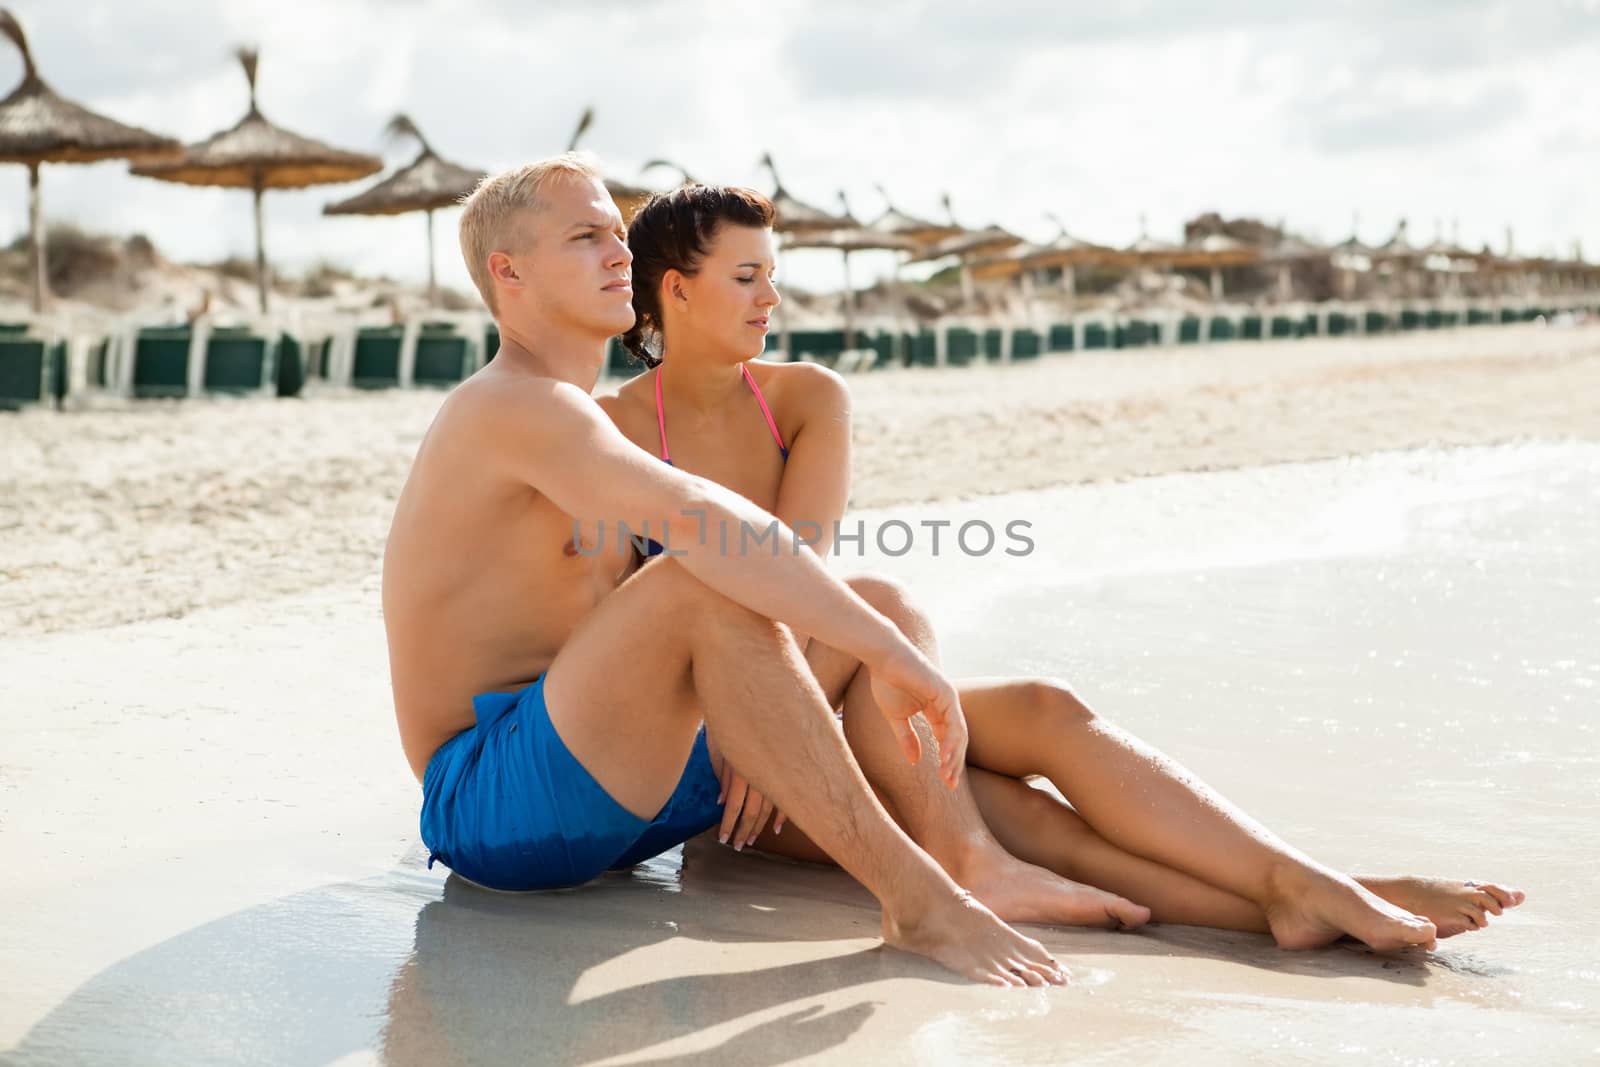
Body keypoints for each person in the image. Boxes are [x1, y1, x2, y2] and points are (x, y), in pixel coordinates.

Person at [598, 182, 1524, 946]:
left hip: (819, 675)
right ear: (674, 291)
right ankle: (1317, 890)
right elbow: (616, 637)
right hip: (720, 766)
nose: (772, 299)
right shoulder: (612, 432)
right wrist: (754, 731)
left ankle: (1305, 883)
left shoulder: (805, 400)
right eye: (748, 276)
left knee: (1045, 706)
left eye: (775, 276)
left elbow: (802, 577)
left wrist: (780, 713)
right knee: (1026, 817)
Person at [382, 153, 1102, 988]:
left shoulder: (582, 417)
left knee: (877, 600)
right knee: (703, 580)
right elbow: (702, 521)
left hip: (620, 797)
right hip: (492, 807)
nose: (621, 253)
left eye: (619, 234)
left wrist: (867, 641)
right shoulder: (510, 404)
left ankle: (1228, 893)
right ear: (507, 272)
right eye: (586, 237)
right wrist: (888, 657)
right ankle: (922, 899)